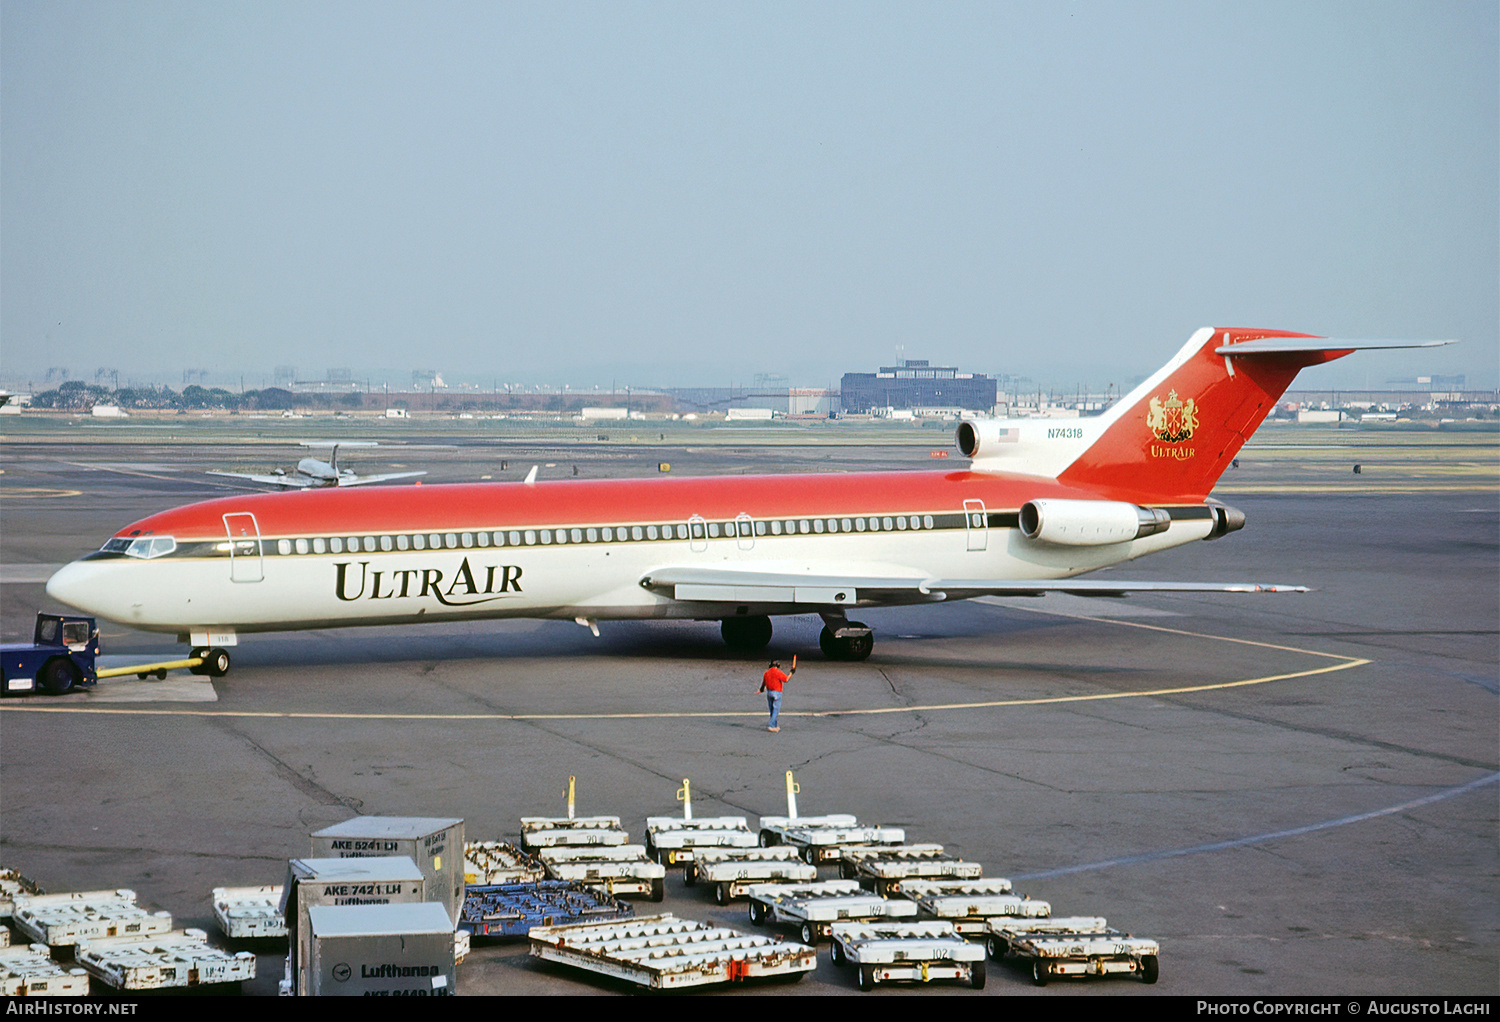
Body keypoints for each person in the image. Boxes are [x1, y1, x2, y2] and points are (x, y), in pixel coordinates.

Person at [759, 660, 794, 731]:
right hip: (777, 692)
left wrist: (761, 690)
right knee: (776, 710)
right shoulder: (778, 672)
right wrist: (791, 673)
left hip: (769, 692)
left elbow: (763, 684)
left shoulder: (766, 673)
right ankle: (771, 725)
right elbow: (786, 679)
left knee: (772, 710)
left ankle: (775, 725)